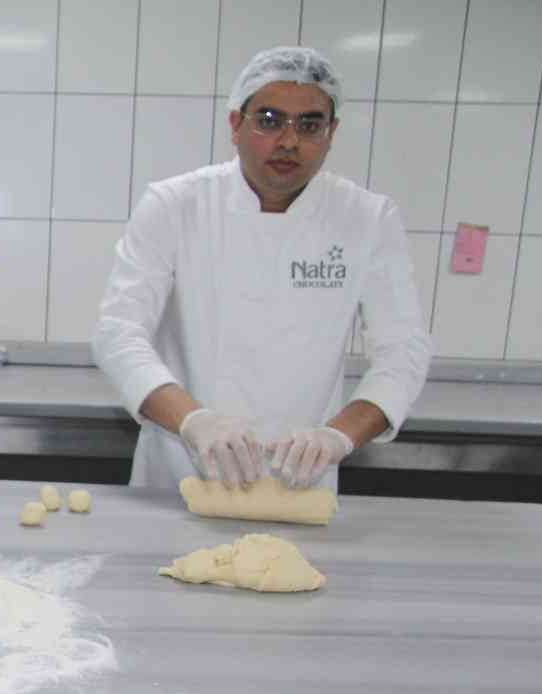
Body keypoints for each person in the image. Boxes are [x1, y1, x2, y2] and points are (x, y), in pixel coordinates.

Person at [92, 47, 433, 492]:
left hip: (299, 486)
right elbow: (118, 333)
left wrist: (337, 437)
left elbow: (403, 351)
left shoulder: (366, 218)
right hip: (181, 475)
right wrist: (194, 422)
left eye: (310, 124)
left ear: (332, 132)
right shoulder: (176, 205)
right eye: (269, 120)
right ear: (236, 124)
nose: (289, 141)